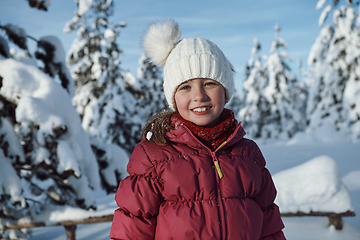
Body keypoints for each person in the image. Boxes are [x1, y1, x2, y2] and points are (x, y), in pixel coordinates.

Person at [110, 20, 286, 240]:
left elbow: (269, 227)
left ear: (225, 90)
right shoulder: (153, 157)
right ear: (173, 97)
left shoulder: (249, 155)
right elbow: (131, 228)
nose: (199, 96)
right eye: (186, 87)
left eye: (209, 83)